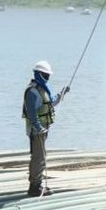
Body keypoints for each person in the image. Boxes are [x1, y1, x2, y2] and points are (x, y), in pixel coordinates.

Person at [22, 60, 67, 197]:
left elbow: (50, 102)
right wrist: (39, 128)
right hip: (37, 132)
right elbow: (31, 113)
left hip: (43, 129)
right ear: (38, 74)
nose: (47, 78)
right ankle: (34, 187)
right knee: (38, 158)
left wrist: (62, 94)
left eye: (48, 75)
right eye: (45, 75)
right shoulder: (33, 91)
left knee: (41, 157)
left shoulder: (42, 89)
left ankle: (38, 184)